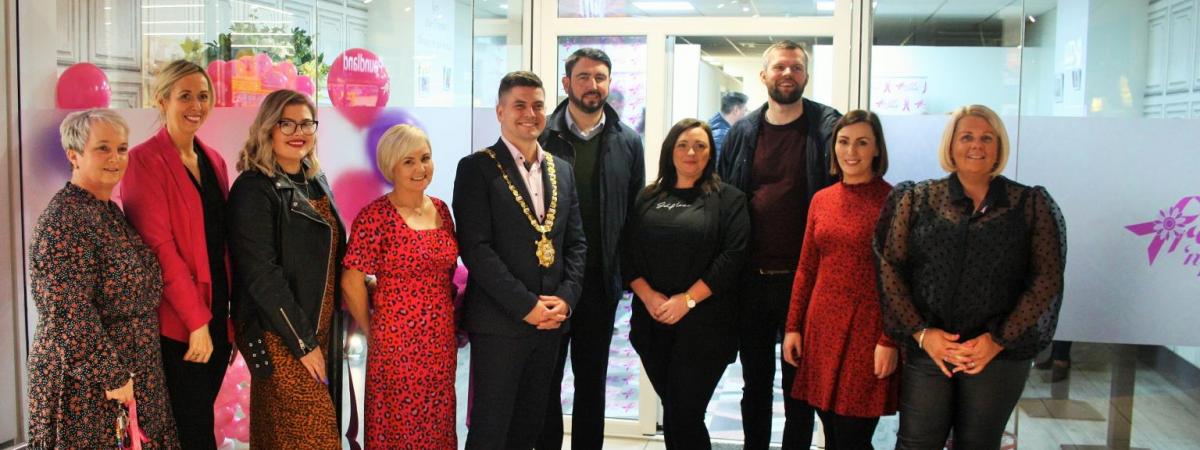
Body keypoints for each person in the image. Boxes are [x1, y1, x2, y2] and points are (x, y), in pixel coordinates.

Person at [874, 104, 1067, 449]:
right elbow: (890, 267)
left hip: (997, 353)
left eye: (986, 138)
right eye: (966, 136)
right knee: (916, 443)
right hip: (931, 349)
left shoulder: (1029, 204)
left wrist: (997, 340)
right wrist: (922, 334)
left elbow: (1046, 279)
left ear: (998, 147)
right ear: (951, 145)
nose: (976, 145)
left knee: (979, 443)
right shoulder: (916, 199)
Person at [28, 109, 180, 449]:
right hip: (89, 385)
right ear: (74, 154)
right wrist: (110, 374)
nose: (115, 158)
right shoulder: (64, 221)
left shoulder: (107, 210)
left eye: (122, 149)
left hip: (132, 373)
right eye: (103, 148)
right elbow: (66, 311)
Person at [716, 39, 842, 450]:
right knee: (754, 384)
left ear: (806, 75)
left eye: (796, 67)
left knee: (798, 389)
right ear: (764, 75)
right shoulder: (743, 133)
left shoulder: (827, 128)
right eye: (780, 67)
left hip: (806, 282)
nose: (788, 74)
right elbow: (726, 200)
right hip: (751, 279)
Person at [453, 70, 587, 450]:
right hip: (501, 322)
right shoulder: (476, 168)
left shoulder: (561, 169)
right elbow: (476, 249)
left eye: (538, 105)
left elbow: (576, 242)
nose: (530, 113)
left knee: (532, 424)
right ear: (500, 111)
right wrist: (526, 305)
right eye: (520, 105)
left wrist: (566, 298)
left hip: (551, 320)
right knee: (491, 428)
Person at [537, 47, 645, 450]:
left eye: (600, 77)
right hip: (548, 284)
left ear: (609, 84)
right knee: (546, 382)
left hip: (599, 284)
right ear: (567, 83)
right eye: (583, 77)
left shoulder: (628, 142)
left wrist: (626, 277)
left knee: (591, 383)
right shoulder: (542, 137)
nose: (592, 85)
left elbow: (634, 214)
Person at [121, 59, 232, 450]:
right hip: (179, 322)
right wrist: (196, 321)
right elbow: (159, 251)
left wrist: (224, 317)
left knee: (199, 417)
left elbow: (221, 243)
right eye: (184, 96)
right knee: (191, 429)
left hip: (218, 312)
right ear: (161, 99)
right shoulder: (143, 161)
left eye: (203, 96)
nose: (196, 105)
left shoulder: (213, 159)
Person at [227, 89, 345, 449]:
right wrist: (303, 342)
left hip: (319, 327)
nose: (299, 131)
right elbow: (262, 275)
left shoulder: (315, 180)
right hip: (280, 333)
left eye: (307, 123)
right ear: (268, 128)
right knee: (316, 436)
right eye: (287, 123)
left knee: (278, 434)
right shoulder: (254, 188)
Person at [622, 118, 750, 449]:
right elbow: (627, 252)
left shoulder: (729, 199)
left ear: (711, 153)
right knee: (680, 413)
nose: (691, 152)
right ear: (670, 150)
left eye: (700, 146)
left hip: (707, 327)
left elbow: (732, 257)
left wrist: (687, 301)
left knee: (684, 412)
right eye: (683, 144)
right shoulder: (648, 196)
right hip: (653, 323)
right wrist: (649, 297)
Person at [781, 110, 898, 449]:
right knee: (831, 430)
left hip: (868, 332)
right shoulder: (822, 199)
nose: (851, 151)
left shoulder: (894, 202)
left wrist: (890, 340)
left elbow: (901, 280)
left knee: (852, 434)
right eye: (844, 142)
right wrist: (793, 327)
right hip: (822, 328)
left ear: (877, 149)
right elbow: (806, 268)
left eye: (862, 143)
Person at [341, 124, 459, 447]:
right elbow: (351, 281)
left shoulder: (442, 211)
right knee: (400, 427)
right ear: (390, 166)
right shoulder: (375, 217)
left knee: (438, 423)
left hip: (440, 340)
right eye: (409, 161)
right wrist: (371, 327)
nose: (420, 168)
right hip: (396, 344)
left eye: (425, 158)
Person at [708, 91, 748, 159]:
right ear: (736, 110)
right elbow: (718, 167)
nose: (746, 114)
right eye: (745, 110)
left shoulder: (717, 125)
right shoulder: (722, 135)